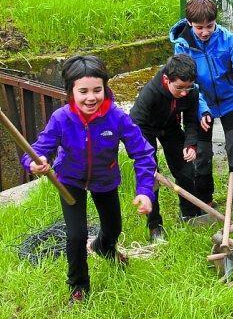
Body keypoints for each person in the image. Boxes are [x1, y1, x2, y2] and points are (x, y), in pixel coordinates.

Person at [20, 55, 155, 304]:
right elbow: (37, 149)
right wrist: (35, 162)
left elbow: (143, 153)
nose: (90, 97)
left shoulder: (116, 117)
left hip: (105, 179)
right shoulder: (61, 118)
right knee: (76, 235)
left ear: (105, 88)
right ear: (71, 91)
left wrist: (145, 190)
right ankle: (78, 287)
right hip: (69, 181)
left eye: (97, 90)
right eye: (83, 91)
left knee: (113, 228)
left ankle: (104, 247)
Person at [169, 0, 233, 220]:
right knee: (202, 154)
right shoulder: (182, 46)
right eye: (199, 28)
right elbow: (188, 82)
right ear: (189, 23)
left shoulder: (227, 39)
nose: (205, 32)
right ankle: (205, 199)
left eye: (210, 26)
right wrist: (202, 109)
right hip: (199, 102)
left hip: (231, 101)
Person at [130, 54, 211, 240]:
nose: (184, 93)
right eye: (179, 88)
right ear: (167, 80)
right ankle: (155, 226)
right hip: (145, 130)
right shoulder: (150, 94)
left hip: (170, 128)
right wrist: (143, 158)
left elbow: (191, 121)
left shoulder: (191, 92)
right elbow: (134, 125)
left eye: (188, 87)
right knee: (152, 177)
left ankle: (190, 215)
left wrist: (190, 144)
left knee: (186, 169)